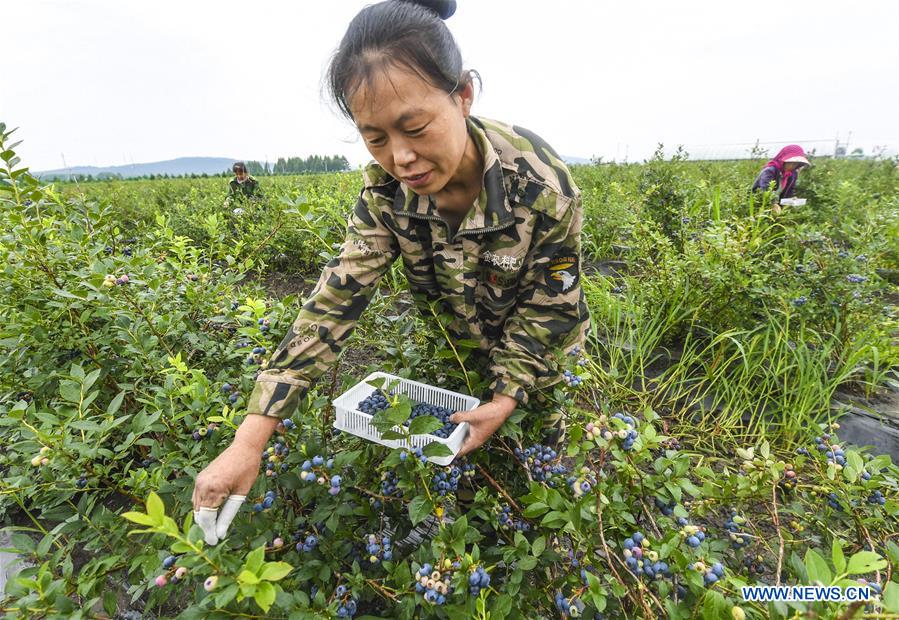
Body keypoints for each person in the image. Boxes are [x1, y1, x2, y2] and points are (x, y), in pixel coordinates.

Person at [191, 0, 590, 544]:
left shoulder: (541, 186)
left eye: (415, 127)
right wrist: (250, 438)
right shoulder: (384, 194)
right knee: (464, 471)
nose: (400, 158)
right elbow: (337, 296)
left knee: (541, 465)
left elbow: (551, 304)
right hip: (457, 349)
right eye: (375, 137)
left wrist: (510, 393)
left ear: (464, 95)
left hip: (540, 357)